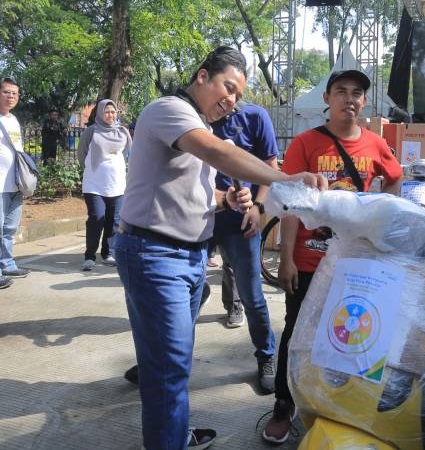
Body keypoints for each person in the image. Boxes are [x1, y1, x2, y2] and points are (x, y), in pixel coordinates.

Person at [114, 46, 326, 450]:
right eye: (227, 87)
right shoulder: (169, 110)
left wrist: (225, 200)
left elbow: (190, 189)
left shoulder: (198, 124)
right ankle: (167, 442)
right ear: (201, 76)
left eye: (238, 95)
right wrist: (285, 178)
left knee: (171, 364)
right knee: (168, 367)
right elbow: (220, 153)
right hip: (155, 253)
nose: (231, 100)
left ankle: (171, 434)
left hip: (188, 255)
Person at [262, 69, 403, 445]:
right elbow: (290, 206)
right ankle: (283, 403)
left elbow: (394, 177)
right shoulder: (306, 143)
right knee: (297, 334)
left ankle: (340, 405)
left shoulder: (375, 144)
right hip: (309, 261)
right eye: (341, 91)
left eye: (357, 93)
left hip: (357, 264)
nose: (350, 99)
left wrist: (383, 212)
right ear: (327, 98)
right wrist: (287, 259)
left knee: (354, 335)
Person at [211, 101, 280, 394]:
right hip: (198, 219)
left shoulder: (254, 116)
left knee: (252, 294)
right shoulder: (194, 116)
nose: (230, 97)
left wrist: (259, 207)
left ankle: (266, 356)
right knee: (185, 294)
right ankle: (161, 360)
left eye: (236, 89)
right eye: (225, 86)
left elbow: (270, 167)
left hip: (242, 222)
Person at [77, 99, 131, 271]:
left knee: (114, 221)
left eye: (113, 112)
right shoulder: (91, 131)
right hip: (94, 184)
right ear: (100, 113)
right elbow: (81, 154)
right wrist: (94, 169)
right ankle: (90, 256)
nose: (110, 115)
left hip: (117, 184)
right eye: (107, 111)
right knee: (96, 218)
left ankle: (108, 252)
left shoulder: (123, 132)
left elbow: (129, 153)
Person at [0, 77, 30, 289]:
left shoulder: (14, 120)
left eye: (14, 94)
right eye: (6, 92)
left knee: (9, 228)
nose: (11, 97)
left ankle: (8, 264)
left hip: (16, 184)